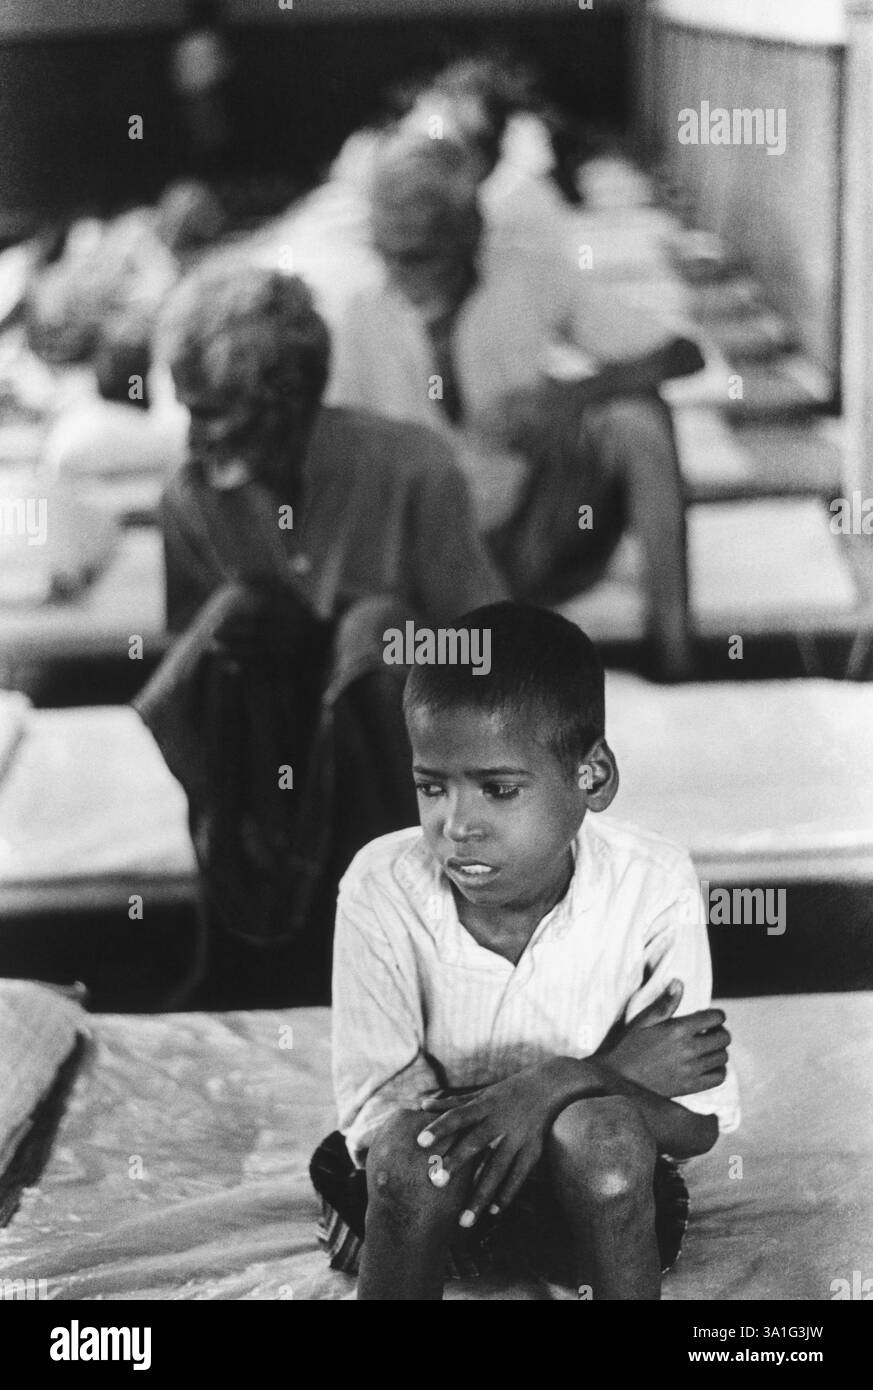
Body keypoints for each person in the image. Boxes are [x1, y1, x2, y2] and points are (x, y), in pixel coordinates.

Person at [310, 603, 739, 1299]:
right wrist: (607, 1068)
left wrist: (559, 1082)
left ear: (591, 777)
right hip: (440, 1206)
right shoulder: (380, 886)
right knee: (411, 1163)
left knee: (602, 1141)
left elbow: (695, 1125)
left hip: (590, 1199)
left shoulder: (652, 883)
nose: (455, 826)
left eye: (498, 789)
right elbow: (379, 1132)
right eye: (430, 786)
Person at [143, 260, 506, 1004]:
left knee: (376, 633)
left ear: (284, 402)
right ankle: (245, 949)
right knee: (230, 625)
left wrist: (360, 639)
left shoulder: (412, 468)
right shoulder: (190, 499)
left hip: (406, 762)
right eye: (188, 409)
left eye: (213, 412)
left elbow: (494, 657)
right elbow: (190, 682)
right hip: (274, 761)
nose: (194, 437)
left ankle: (405, 952)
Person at [327, 133, 706, 680]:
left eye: (420, 252)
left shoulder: (528, 272)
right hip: (428, 567)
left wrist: (566, 398)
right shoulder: (357, 311)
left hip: (536, 535)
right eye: (389, 251)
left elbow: (682, 353)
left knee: (637, 420)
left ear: (469, 232)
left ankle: (676, 657)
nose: (402, 270)